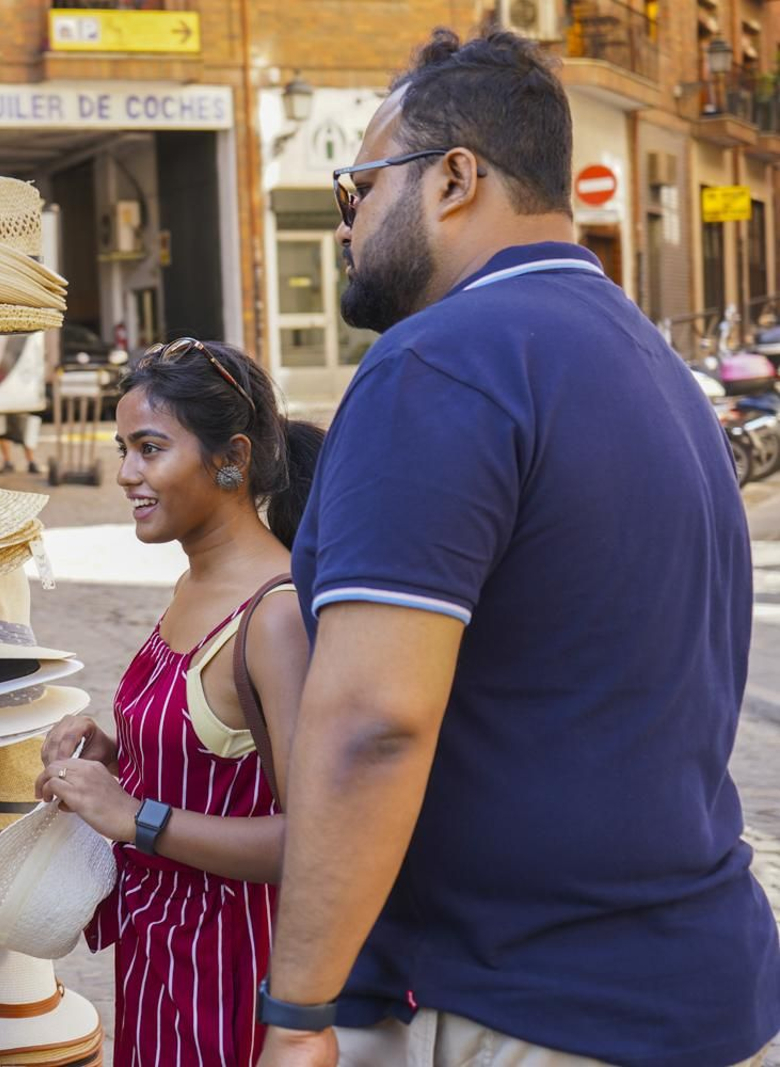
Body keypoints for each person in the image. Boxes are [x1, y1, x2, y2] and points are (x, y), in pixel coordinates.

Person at [259, 30, 780, 1067]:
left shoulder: (439, 362)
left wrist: (299, 1009)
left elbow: (372, 720)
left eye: (356, 185)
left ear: (454, 178)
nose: (345, 219)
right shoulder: (657, 370)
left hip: (529, 1004)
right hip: (700, 985)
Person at [37, 337, 324, 1067]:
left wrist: (134, 814)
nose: (127, 473)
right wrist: (118, 757)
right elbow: (209, 754)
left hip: (230, 975)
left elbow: (313, 843)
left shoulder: (275, 615)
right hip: (159, 955)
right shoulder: (194, 584)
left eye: (150, 448)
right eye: (123, 448)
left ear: (230, 457)